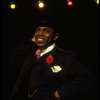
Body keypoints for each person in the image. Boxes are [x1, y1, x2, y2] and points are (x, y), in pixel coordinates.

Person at [9, 12, 96, 100]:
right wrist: (31, 41)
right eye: (38, 30)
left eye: (46, 31)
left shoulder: (64, 56)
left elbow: (87, 77)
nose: (40, 33)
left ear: (55, 36)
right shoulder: (31, 54)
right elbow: (14, 59)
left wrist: (60, 93)